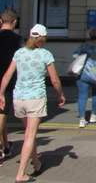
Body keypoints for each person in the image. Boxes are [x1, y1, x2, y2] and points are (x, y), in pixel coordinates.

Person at [0, 24, 65, 182]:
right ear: (43, 38)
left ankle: (36, 163)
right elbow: (55, 80)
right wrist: (61, 95)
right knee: (30, 134)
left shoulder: (19, 53)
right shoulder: (45, 54)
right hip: (35, 98)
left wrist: (1, 93)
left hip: (19, 98)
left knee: (30, 133)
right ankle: (21, 174)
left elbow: (8, 74)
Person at [73, 28, 96, 128]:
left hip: (84, 74)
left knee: (82, 97)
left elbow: (74, 55)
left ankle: (82, 119)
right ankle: (93, 115)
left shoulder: (84, 46)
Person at [0, 9, 23, 164]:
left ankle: (6, 146)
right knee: (2, 116)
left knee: (3, 118)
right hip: (6, 83)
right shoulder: (18, 40)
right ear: (15, 22)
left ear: (1, 21)